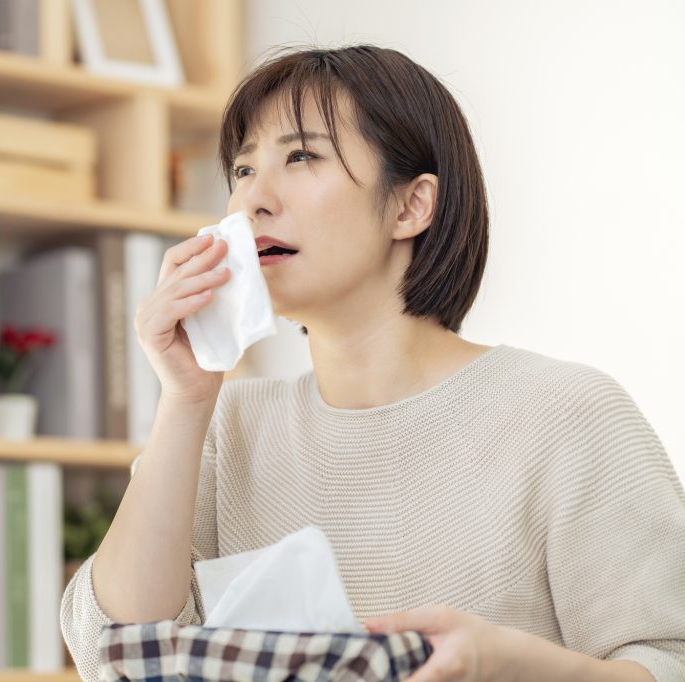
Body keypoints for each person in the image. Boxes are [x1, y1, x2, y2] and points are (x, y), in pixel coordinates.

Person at [60, 44, 685, 682]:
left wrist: (506, 666)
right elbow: (117, 658)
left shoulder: (567, 414)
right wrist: (185, 399)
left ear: (411, 205)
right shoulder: (229, 426)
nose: (252, 202)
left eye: (301, 156)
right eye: (243, 170)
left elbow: (668, 662)